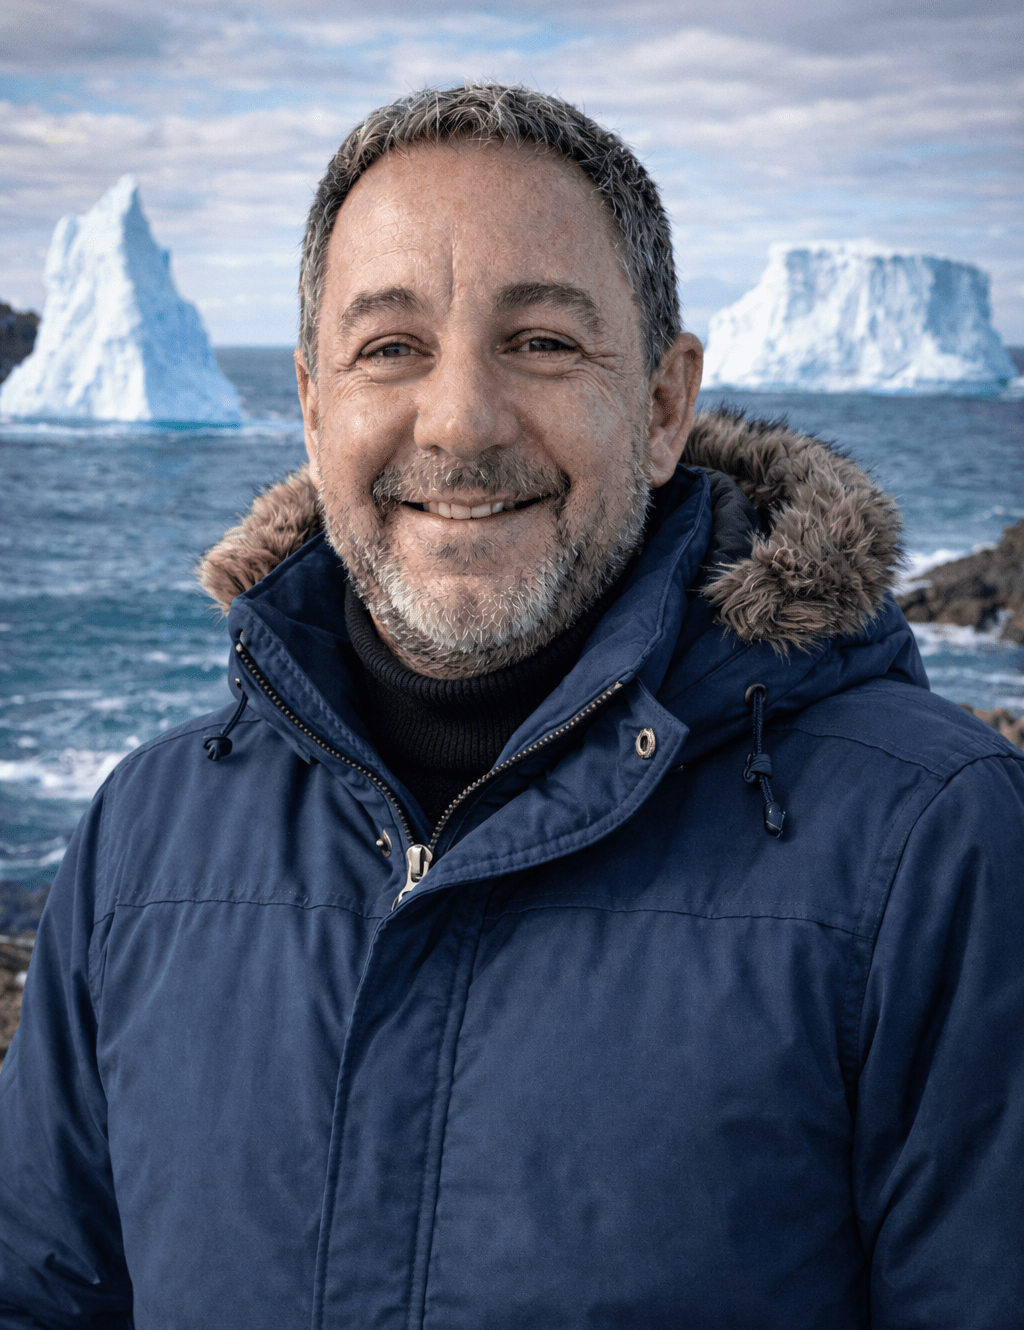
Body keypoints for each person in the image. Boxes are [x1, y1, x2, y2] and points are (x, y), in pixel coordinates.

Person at [1, 83, 1021, 1329]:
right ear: (315, 412)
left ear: (660, 406)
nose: (462, 421)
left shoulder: (929, 840)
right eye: (390, 348)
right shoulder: (144, 839)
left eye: (541, 341)